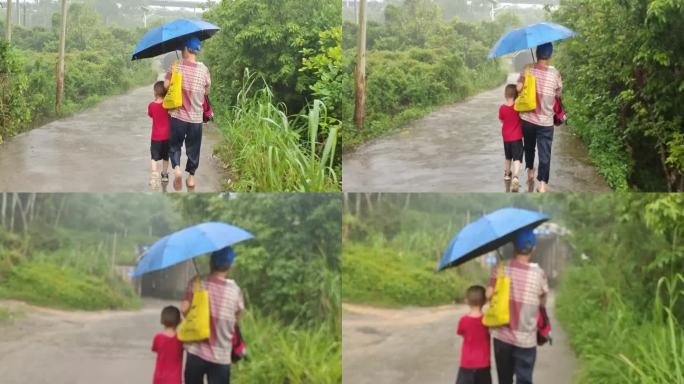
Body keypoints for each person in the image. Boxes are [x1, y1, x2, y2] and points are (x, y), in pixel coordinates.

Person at [486, 228, 549, 384]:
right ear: (534, 249)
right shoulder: (539, 273)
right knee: (524, 379)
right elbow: (543, 302)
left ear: (514, 247)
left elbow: (489, 295)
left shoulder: (500, 268)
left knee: (504, 380)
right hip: (526, 339)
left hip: (502, 338)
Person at [182, 246, 244, 384]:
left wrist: (196, 316)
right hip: (221, 356)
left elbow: (184, 309)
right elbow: (237, 319)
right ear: (229, 266)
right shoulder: (235, 291)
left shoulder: (197, 283)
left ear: (211, 263)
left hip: (196, 351)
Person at [164, 36, 211, 190]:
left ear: (185, 49)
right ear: (196, 51)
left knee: (175, 146)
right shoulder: (204, 69)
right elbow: (206, 91)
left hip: (177, 117)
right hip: (196, 119)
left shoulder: (176, 66)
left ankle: (177, 169)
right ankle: (191, 178)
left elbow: (165, 87)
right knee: (194, 148)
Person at [516, 42, 563, 193]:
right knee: (545, 152)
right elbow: (558, 94)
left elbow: (518, 89)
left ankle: (530, 172)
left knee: (529, 148)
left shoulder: (528, 69)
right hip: (546, 122)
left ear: (537, 54)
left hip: (528, 120)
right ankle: (542, 184)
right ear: (550, 55)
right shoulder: (555, 73)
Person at [456, 285, 492, 384]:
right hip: (483, 363)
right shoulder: (487, 320)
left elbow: (461, 333)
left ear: (466, 301)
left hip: (467, 363)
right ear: (484, 301)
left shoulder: (463, 320)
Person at [499, 84, 523, 192]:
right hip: (517, 137)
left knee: (508, 157)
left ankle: (507, 174)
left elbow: (501, 120)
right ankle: (516, 177)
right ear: (516, 96)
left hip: (506, 137)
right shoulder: (518, 108)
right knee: (517, 158)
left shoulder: (502, 108)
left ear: (505, 95)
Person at [152, 306, 183, 384]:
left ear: (161, 321)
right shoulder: (181, 339)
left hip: (159, 378)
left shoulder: (158, 337)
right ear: (179, 321)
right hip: (175, 379)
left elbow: (155, 349)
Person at [148, 81, 171, 187]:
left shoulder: (151, 105)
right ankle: (165, 175)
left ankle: (154, 177)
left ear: (155, 93)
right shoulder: (168, 105)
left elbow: (151, 115)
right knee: (166, 157)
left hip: (155, 137)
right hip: (167, 136)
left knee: (154, 157)